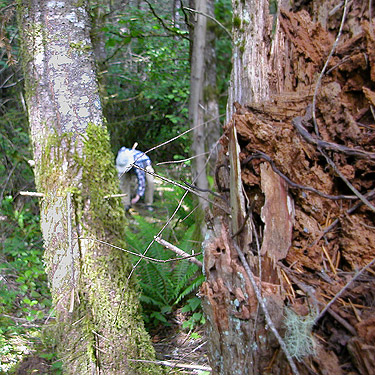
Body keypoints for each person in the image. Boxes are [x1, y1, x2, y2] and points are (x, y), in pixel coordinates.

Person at [115, 146, 154, 211]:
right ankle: (125, 203)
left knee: (150, 182)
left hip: (145, 166)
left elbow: (141, 180)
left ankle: (148, 204)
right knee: (124, 182)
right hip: (129, 163)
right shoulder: (122, 155)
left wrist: (137, 196)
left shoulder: (138, 162)